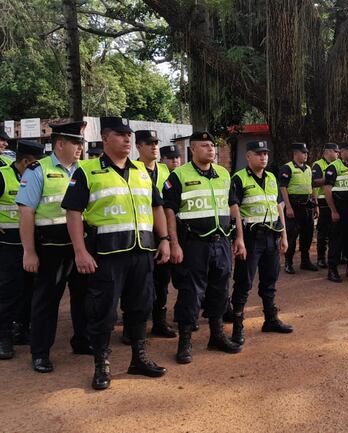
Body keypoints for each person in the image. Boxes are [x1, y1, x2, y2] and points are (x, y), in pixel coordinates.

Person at [62, 116, 169, 390]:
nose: (127, 139)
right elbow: (73, 213)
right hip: (107, 255)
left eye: (128, 135)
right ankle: (102, 364)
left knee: (141, 306)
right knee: (103, 311)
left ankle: (139, 358)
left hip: (142, 250)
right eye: (120, 134)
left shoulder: (142, 171)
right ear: (106, 138)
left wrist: (165, 239)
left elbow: (157, 207)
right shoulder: (87, 170)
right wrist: (80, 252)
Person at [16, 123, 90, 373]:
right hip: (50, 248)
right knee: (46, 302)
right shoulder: (38, 170)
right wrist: (29, 251)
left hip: (80, 246)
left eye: (81, 143)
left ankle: (82, 340)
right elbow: (26, 213)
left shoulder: (85, 170)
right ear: (60, 144)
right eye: (75, 143)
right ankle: (40, 353)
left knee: (83, 297)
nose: (80, 148)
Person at [163, 131, 242, 365]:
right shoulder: (179, 176)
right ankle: (185, 341)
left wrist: (239, 237)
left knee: (220, 288)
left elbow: (232, 206)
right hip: (193, 244)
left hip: (221, 242)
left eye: (212, 145)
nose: (211, 149)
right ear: (193, 150)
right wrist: (173, 242)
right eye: (205, 145)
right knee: (191, 291)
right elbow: (169, 210)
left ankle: (217, 335)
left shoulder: (224, 174)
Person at [229, 141, 292, 346]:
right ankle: (238, 328)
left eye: (265, 153)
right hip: (250, 238)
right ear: (248, 156)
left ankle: (271, 319)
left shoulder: (272, 177)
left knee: (270, 280)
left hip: (271, 237)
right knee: (243, 282)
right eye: (258, 153)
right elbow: (234, 210)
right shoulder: (238, 179)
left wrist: (283, 235)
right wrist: (238, 238)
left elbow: (278, 206)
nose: (263, 157)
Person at [0, 140, 44, 361]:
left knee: (31, 288)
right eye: (36, 163)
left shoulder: (35, 176)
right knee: (9, 291)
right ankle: (3, 337)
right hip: (8, 244)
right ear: (25, 161)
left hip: (33, 241)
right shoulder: (3, 175)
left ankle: (22, 329)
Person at [134, 130, 177, 339]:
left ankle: (159, 322)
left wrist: (168, 237)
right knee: (137, 283)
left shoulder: (165, 171)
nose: (154, 147)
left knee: (162, 280)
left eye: (156, 143)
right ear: (138, 147)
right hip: (139, 234)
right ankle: (133, 327)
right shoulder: (131, 169)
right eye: (148, 143)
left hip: (162, 233)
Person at [278, 143, 317, 274]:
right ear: (295, 154)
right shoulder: (287, 168)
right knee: (292, 236)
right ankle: (288, 262)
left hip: (307, 207)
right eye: (303, 152)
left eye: (306, 153)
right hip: (294, 207)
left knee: (307, 235)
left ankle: (305, 261)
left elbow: (312, 188)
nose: (306, 155)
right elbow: (283, 188)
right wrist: (288, 207)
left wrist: (315, 204)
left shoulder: (308, 169)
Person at [324, 141, 348, 282]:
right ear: (341, 152)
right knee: (336, 240)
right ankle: (332, 270)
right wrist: (333, 210)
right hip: (339, 207)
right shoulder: (334, 167)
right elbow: (327, 190)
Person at [311, 143, 339, 269]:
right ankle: (321, 258)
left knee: (335, 232)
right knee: (323, 232)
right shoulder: (318, 165)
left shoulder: (338, 165)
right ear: (328, 152)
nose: (337, 154)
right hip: (323, 202)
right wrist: (329, 178)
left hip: (336, 201)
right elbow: (315, 182)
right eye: (335, 151)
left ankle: (335, 257)